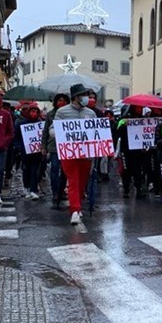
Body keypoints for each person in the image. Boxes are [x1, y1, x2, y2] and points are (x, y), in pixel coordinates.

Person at [56, 83, 98, 224]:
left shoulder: (91, 113)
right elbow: (52, 128)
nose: (86, 98)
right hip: (69, 153)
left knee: (82, 182)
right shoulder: (62, 112)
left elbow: (96, 132)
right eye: (83, 95)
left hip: (86, 153)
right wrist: (58, 133)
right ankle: (74, 210)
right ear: (75, 97)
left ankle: (78, 207)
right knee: (73, 181)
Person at [42, 93, 70, 207]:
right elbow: (45, 132)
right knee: (54, 169)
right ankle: (55, 192)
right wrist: (43, 146)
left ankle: (61, 190)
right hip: (54, 146)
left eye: (64, 100)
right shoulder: (50, 115)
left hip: (67, 146)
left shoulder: (70, 114)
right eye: (59, 100)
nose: (62, 102)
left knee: (65, 171)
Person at [117, 105, 148, 199]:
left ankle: (139, 189)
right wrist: (124, 125)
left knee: (137, 171)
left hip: (137, 150)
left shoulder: (143, 119)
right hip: (126, 150)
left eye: (141, 108)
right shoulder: (123, 119)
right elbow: (117, 131)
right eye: (138, 107)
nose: (140, 109)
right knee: (126, 171)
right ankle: (126, 190)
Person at [17, 102, 43, 200]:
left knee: (35, 171)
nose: (34, 113)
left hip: (37, 152)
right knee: (26, 170)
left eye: (36, 111)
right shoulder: (22, 124)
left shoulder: (40, 123)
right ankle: (26, 187)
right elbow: (16, 137)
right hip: (25, 152)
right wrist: (19, 147)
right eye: (32, 111)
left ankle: (33, 190)